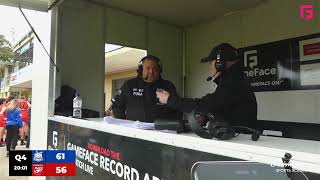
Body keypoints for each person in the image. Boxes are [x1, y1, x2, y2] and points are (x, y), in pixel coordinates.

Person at [156, 43, 257, 128]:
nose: (210, 65)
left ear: (219, 63)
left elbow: (206, 104)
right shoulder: (234, 78)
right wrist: (205, 118)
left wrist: (169, 99)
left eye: (211, 62)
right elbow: (224, 107)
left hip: (240, 141)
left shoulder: (234, 81)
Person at [112, 55, 181, 123]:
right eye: (148, 68)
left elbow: (177, 107)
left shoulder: (168, 86)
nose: (151, 71)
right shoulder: (129, 85)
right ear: (141, 69)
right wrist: (124, 124)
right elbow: (116, 105)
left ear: (159, 70)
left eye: (155, 68)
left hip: (161, 131)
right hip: (134, 132)